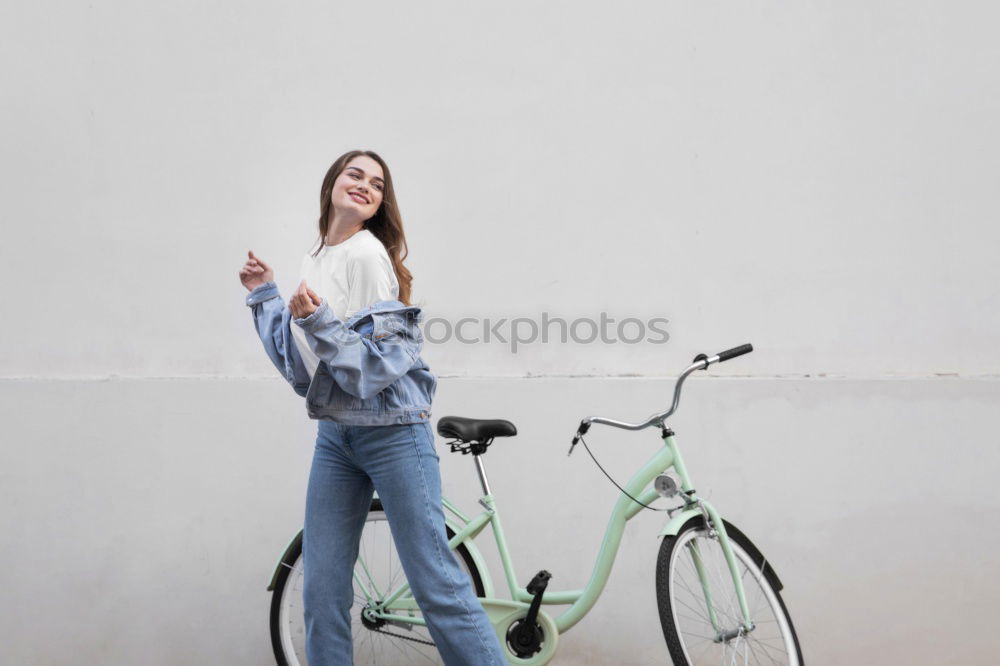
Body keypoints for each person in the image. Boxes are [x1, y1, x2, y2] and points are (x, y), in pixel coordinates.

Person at [238, 150, 507, 665]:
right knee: (321, 589)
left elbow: (376, 367)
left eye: (376, 184)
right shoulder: (315, 257)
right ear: (332, 183)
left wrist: (317, 321)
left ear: (380, 203)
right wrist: (265, 296)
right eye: (354, 175)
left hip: (393, 433)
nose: (364, 185)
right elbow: (304, 367)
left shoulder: (366, 254)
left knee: (436, 583)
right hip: (337, 438)